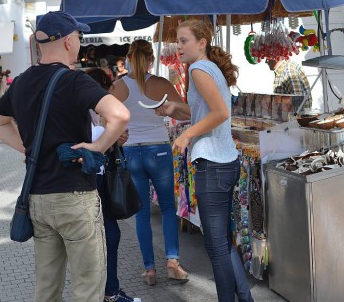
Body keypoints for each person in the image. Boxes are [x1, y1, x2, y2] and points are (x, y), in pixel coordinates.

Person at [0, 11, 130, 302]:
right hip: (74, 196)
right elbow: (120, 114)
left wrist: (28, 149)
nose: (79, 42)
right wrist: (97, 147)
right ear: (67, 42)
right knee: (88, 287)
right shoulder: (75, 81)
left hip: (38, 197)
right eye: (78, 36)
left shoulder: (23, 82)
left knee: (47, 287)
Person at [156, 19, 254, 302]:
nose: (178, 46)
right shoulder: (205, 67)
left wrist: (188, 136)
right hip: (224, 162)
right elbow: (206, 111)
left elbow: (220, 113)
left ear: (201, 43)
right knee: (221, 242)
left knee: (215, 245)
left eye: (184, 40)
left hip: (213, 164)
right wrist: (177, 107)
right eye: (177, 40)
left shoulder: (198, 68)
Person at [110, 39, 188, 285]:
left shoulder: (119, 87)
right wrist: (169, 109)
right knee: (167, 208)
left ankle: (150, 270)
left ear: (129, 58)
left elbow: (105, 120)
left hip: (131, 151)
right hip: (159, 150)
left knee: (141, 213)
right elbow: (187, 112)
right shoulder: (161, 84)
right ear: (151, 59)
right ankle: (173, 262)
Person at [86, 68, 140, 302]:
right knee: (109, 236)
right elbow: (88, 143)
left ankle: (110, 291)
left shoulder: (90, 112)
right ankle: (110, 293)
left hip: (95, 180)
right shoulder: (86, 110)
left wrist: (112, 140)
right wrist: (110, 137)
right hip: (90, 183)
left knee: (110, 235)